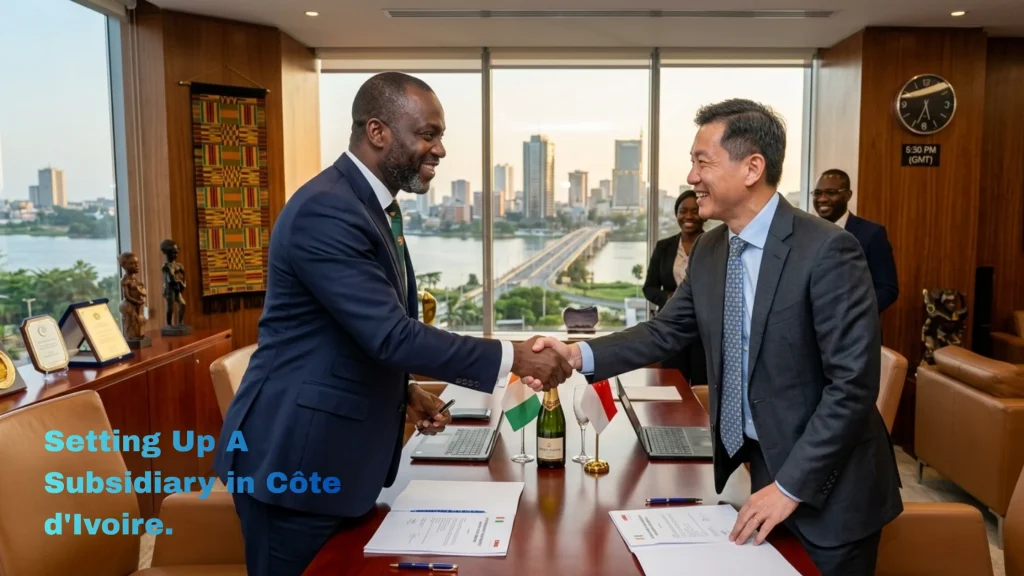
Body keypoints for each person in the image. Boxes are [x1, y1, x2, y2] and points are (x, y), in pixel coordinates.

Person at [213, 72, 572, 576]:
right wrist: (514, 356)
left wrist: (401, 392)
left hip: (335, 462)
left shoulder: (370, 207)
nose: (441, 149)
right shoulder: (328, 210)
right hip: (295, 464)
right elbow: (391, 334)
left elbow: (346, 337)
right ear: (378, 132)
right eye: (428, 134)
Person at [526, 99, 902, 575]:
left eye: (702, 161)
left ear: (752, 167)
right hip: (760, 473)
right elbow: (666, 331)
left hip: (832, 493)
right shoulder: (711, 247)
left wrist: (789, 487)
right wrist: (575, 355)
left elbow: (851, 386)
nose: (691, 176)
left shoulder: (828, 249)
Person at [643, 190, 708, 385]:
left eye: (694, 211)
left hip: (704, 332)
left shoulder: (716, 245)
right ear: (676, 214)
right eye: (683, 211)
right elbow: (649, 288)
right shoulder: (664, 247)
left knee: (702, 387)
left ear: (703, 213)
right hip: (671, 329)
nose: (688, 216)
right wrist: (670, 297)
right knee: (672, 386)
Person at [812, 168, 899, 312]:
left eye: (831, 192)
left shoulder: (872, 233)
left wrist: (854, 314)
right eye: (817, 193)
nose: (822, 198)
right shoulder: (806, 232)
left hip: (856, 330)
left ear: (847, 195)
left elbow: (887, 289)